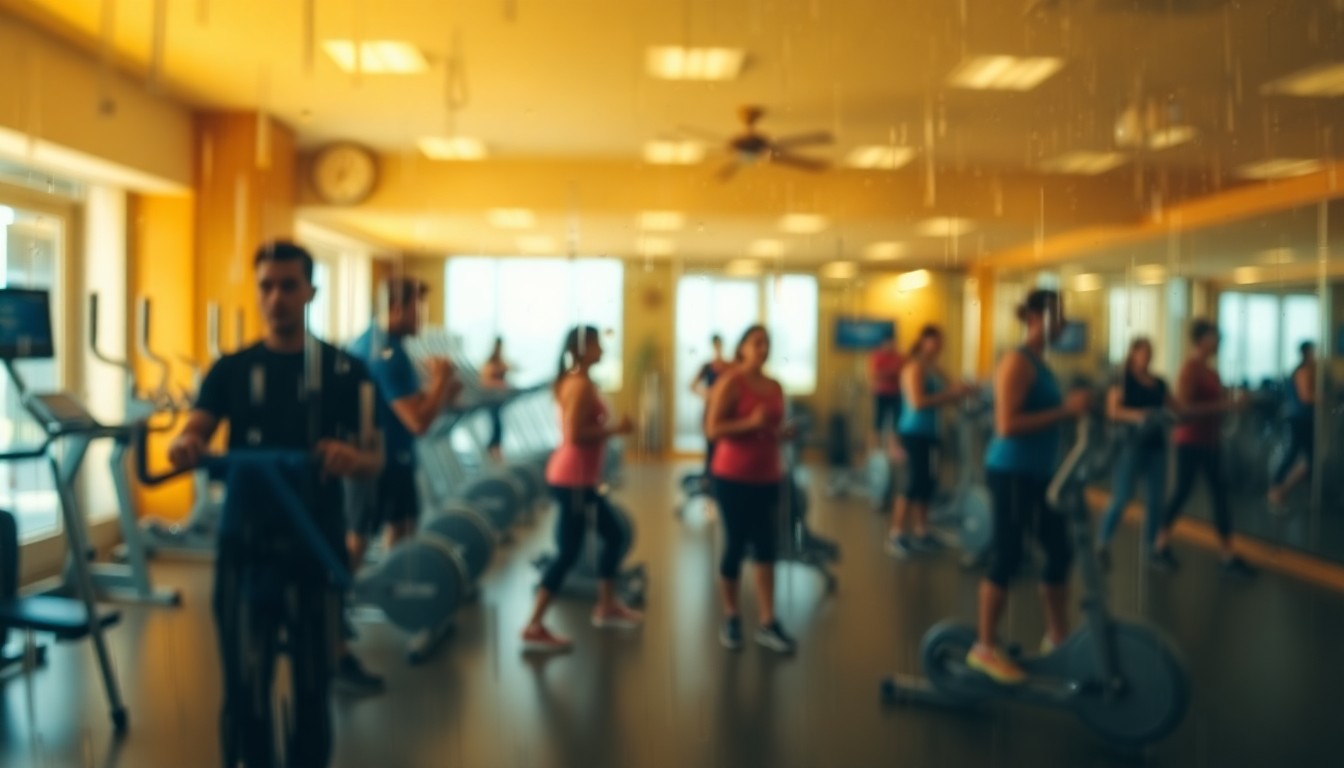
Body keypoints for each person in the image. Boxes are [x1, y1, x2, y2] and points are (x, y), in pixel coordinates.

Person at [167, 240, 385, 767]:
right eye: (266, 286)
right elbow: (193, 431)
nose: (276, 297)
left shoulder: (344, 371)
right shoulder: (231, 370)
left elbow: (374, 457)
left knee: (313, 686)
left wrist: (349, 458)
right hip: (246, 543)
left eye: (289, 285)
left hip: (315, 544)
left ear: (310, 291)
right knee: (245, 687)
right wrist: (185, 445)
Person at [967, 289, 1090, 685]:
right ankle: (984, 647)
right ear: (1035, 317)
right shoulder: (1017, 362)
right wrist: (1064, 411)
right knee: (1008, 554)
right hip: (1012, 472)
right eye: (1059, 315)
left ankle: (1057, 636)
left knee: (1059, 551)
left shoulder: (1043, 363)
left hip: (1039, 475)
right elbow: (1007, 425)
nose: (1065, 323)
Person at [521, 325, 643, 652]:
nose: (602, 349)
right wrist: (617, 428)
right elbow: (575, 436)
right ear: (582, 348)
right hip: (572, 479)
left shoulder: (576, 381)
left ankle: (605, 606)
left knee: (611, 537)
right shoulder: (580, 385)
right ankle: (534, 625)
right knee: (569, 553)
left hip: (578, 479)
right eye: (596, 344)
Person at [347, 278, 462, 566]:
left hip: (392, 455)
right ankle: (340, 603)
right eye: (418, 309)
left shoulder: (384, 345)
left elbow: (405, 403)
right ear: (397, 308)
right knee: (360, 537)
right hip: (378, 458)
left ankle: (385, 591)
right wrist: (440, 383)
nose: (423, 318)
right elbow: (417, 423)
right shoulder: (386, 353)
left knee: (403, 524)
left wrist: (440, 391)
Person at [707, 325, 796, 654]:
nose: (763, 348)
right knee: (735, 546)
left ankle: (767, 621)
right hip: (732, 476)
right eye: (756, 343)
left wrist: (783, 432)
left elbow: (770, 428)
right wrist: (750, 424)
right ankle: (731, 616)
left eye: (767, 343)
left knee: (766, 547)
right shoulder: (731, 382)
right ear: (741, 348)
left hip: (768, 475)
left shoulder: (774, 386)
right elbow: (713, 429)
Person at [1155, 319, 1256, 576]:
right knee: (1182, 492)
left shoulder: (1211, 371)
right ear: (1201, 340)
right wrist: (1226, 406)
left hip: (1211, 442)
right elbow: (1183, 410)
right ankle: (1160, 543)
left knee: (1220, 494)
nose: (1218, 342)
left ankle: (1227, 553)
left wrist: (1233, 401)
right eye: (1213, 337)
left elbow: (1219, 401)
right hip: (1190, 441)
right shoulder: (1190, 369)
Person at [886, 324, 971, 558]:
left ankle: (922, 531)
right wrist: (952, 395)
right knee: (912, 484)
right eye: (934, 341)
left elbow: (953, 388)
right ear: (924, 342)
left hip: (931, 434)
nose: (938, 346)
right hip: (913, 432)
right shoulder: (914, 367)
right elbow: (918, 402)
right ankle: (896, 535)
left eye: (941, 342)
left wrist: (965, 391)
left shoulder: (934, 368)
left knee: (926, 483)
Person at [1095, 337, 1181, 570]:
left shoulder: (1159, 382)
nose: (1147, 357)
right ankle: (1102, 543)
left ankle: (1153, 549)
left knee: (1156, 501)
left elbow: (1175, 407)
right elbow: (1113, 411)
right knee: (1122, 497)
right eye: (1143, 353)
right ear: (1133, 354)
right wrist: (1141, 416)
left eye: (1150, 353)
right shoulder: (1122, 380)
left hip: (1156, 448)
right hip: (1131, 446)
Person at [1268, 341, 1317, 507]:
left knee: (1304, 456)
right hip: (1300, 418)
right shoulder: (1303, 372)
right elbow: (1306, 398)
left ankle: (1282, 489)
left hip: (1301, 418)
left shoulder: (1304, 370)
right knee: (1301, 456)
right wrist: (1325, 399)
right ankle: (1278, 489)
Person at [690, 334, 732, 483]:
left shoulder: (729, 366)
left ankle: (720, 475)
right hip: (709, 410)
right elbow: (693, 385)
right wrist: (706, 393)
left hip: (725, 412)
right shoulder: (707, 366)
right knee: (710, 444)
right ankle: (710, 477)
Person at [869, 335, 905, 457]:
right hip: (881, 393)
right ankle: (876, 450)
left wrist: (889, 373)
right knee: (877, 423)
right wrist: (892, 372)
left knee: (896, 424)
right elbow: (876, 374)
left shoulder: (898, 357)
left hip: (895, 393)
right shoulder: (877, 356)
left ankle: (894, 451)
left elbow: (902, 373)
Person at [482, 336, 511, 463]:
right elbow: (485, 381)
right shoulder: (490, 362)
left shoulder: (500, 361)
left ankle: (495, 450)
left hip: (499, 399)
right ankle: (493, 450)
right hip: (492, 399)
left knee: (499, 426)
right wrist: (500, 384)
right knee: (496, 425)